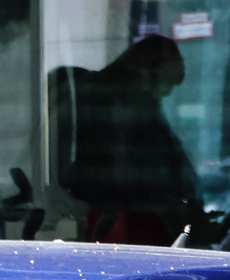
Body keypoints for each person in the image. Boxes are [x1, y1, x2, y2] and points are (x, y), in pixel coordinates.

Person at [50, 35, 200, 245]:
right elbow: (115, 172)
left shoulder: (141, 105)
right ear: (144, 72)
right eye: (165, 86)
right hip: (112, 223)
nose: (163, 95)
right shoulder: (98, 98)